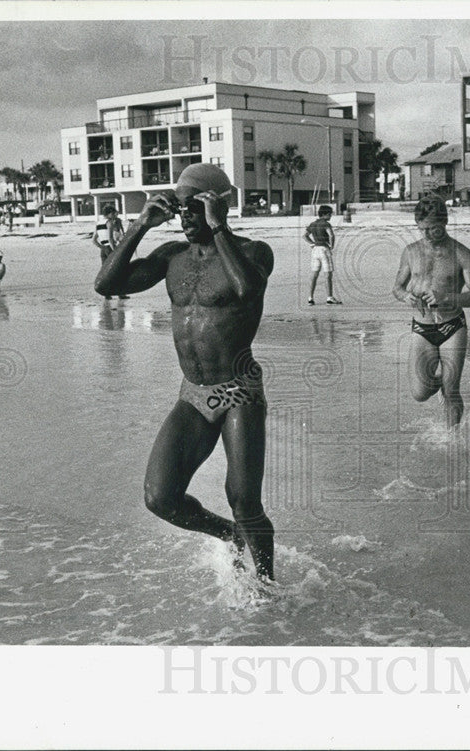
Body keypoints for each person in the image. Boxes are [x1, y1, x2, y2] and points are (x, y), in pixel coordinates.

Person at [94, 162, 276, 581]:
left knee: (244, 499)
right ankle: (229, 536)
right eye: (180, 210)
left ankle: (266, 590)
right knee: (160, 497)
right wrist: (141, 224)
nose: (185, 217)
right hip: (193, 393)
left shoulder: (253, 251)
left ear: (217, 205)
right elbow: (106, 285)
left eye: (194, 207)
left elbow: (248, 289)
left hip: (238, 392)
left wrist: (217, 230)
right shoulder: (172, 257)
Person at [393, 196, 470, 427]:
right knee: (420, 392)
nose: (425, 234)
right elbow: (396, 288)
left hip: (452, 327)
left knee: (451, 390)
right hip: (421, 328)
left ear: (443, 223)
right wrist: (406, 296)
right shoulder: (410, 252)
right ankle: (442, 381)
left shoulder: (462, 254)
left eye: (432, 228)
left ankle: (452, 440)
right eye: (421, 228)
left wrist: (448, 297)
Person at [304, 205, 341, 305]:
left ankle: (310, 298)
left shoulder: (313, 224)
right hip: (324, 249)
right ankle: (329, 297)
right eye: (329, 214)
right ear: (324, 214)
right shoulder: (326, 224)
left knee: (314, 274)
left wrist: (312, 243)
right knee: (328, 274)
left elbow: (305, 235)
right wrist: (331, 246)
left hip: (315, 250)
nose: (330, 216)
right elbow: (331, 235)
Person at [93, 205, 128, 300]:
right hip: (109, 247)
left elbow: (94, 240)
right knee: (118, 271)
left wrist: (102, 247)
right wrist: (115, 251)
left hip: (103, 249)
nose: (114, 215)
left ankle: (106, 294)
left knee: (105, 272)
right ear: (110, 213)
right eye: (113, 213)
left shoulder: (98, 223)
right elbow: (111, 238)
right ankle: (121, 293)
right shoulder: (109, 223)